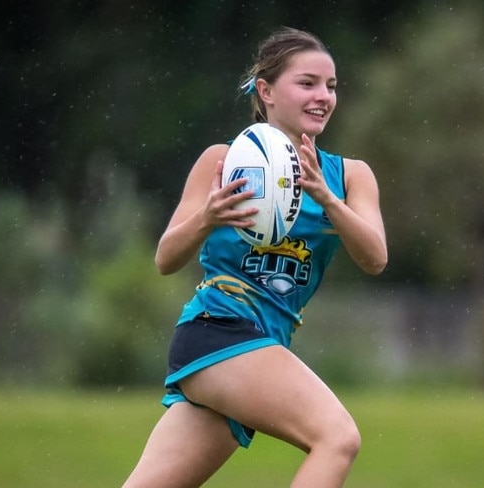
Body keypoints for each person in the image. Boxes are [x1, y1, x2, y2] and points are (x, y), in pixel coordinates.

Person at [122, 26, 387, 488]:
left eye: (331, 86)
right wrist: (206, 217)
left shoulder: (349, 176)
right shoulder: (221, 161)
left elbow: (375, 257)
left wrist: (329, 201)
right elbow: (166, 258)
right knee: (337, 437)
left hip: (262, 347)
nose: (323, 95)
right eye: (307, 83)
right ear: (265, 91)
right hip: (217, 331)